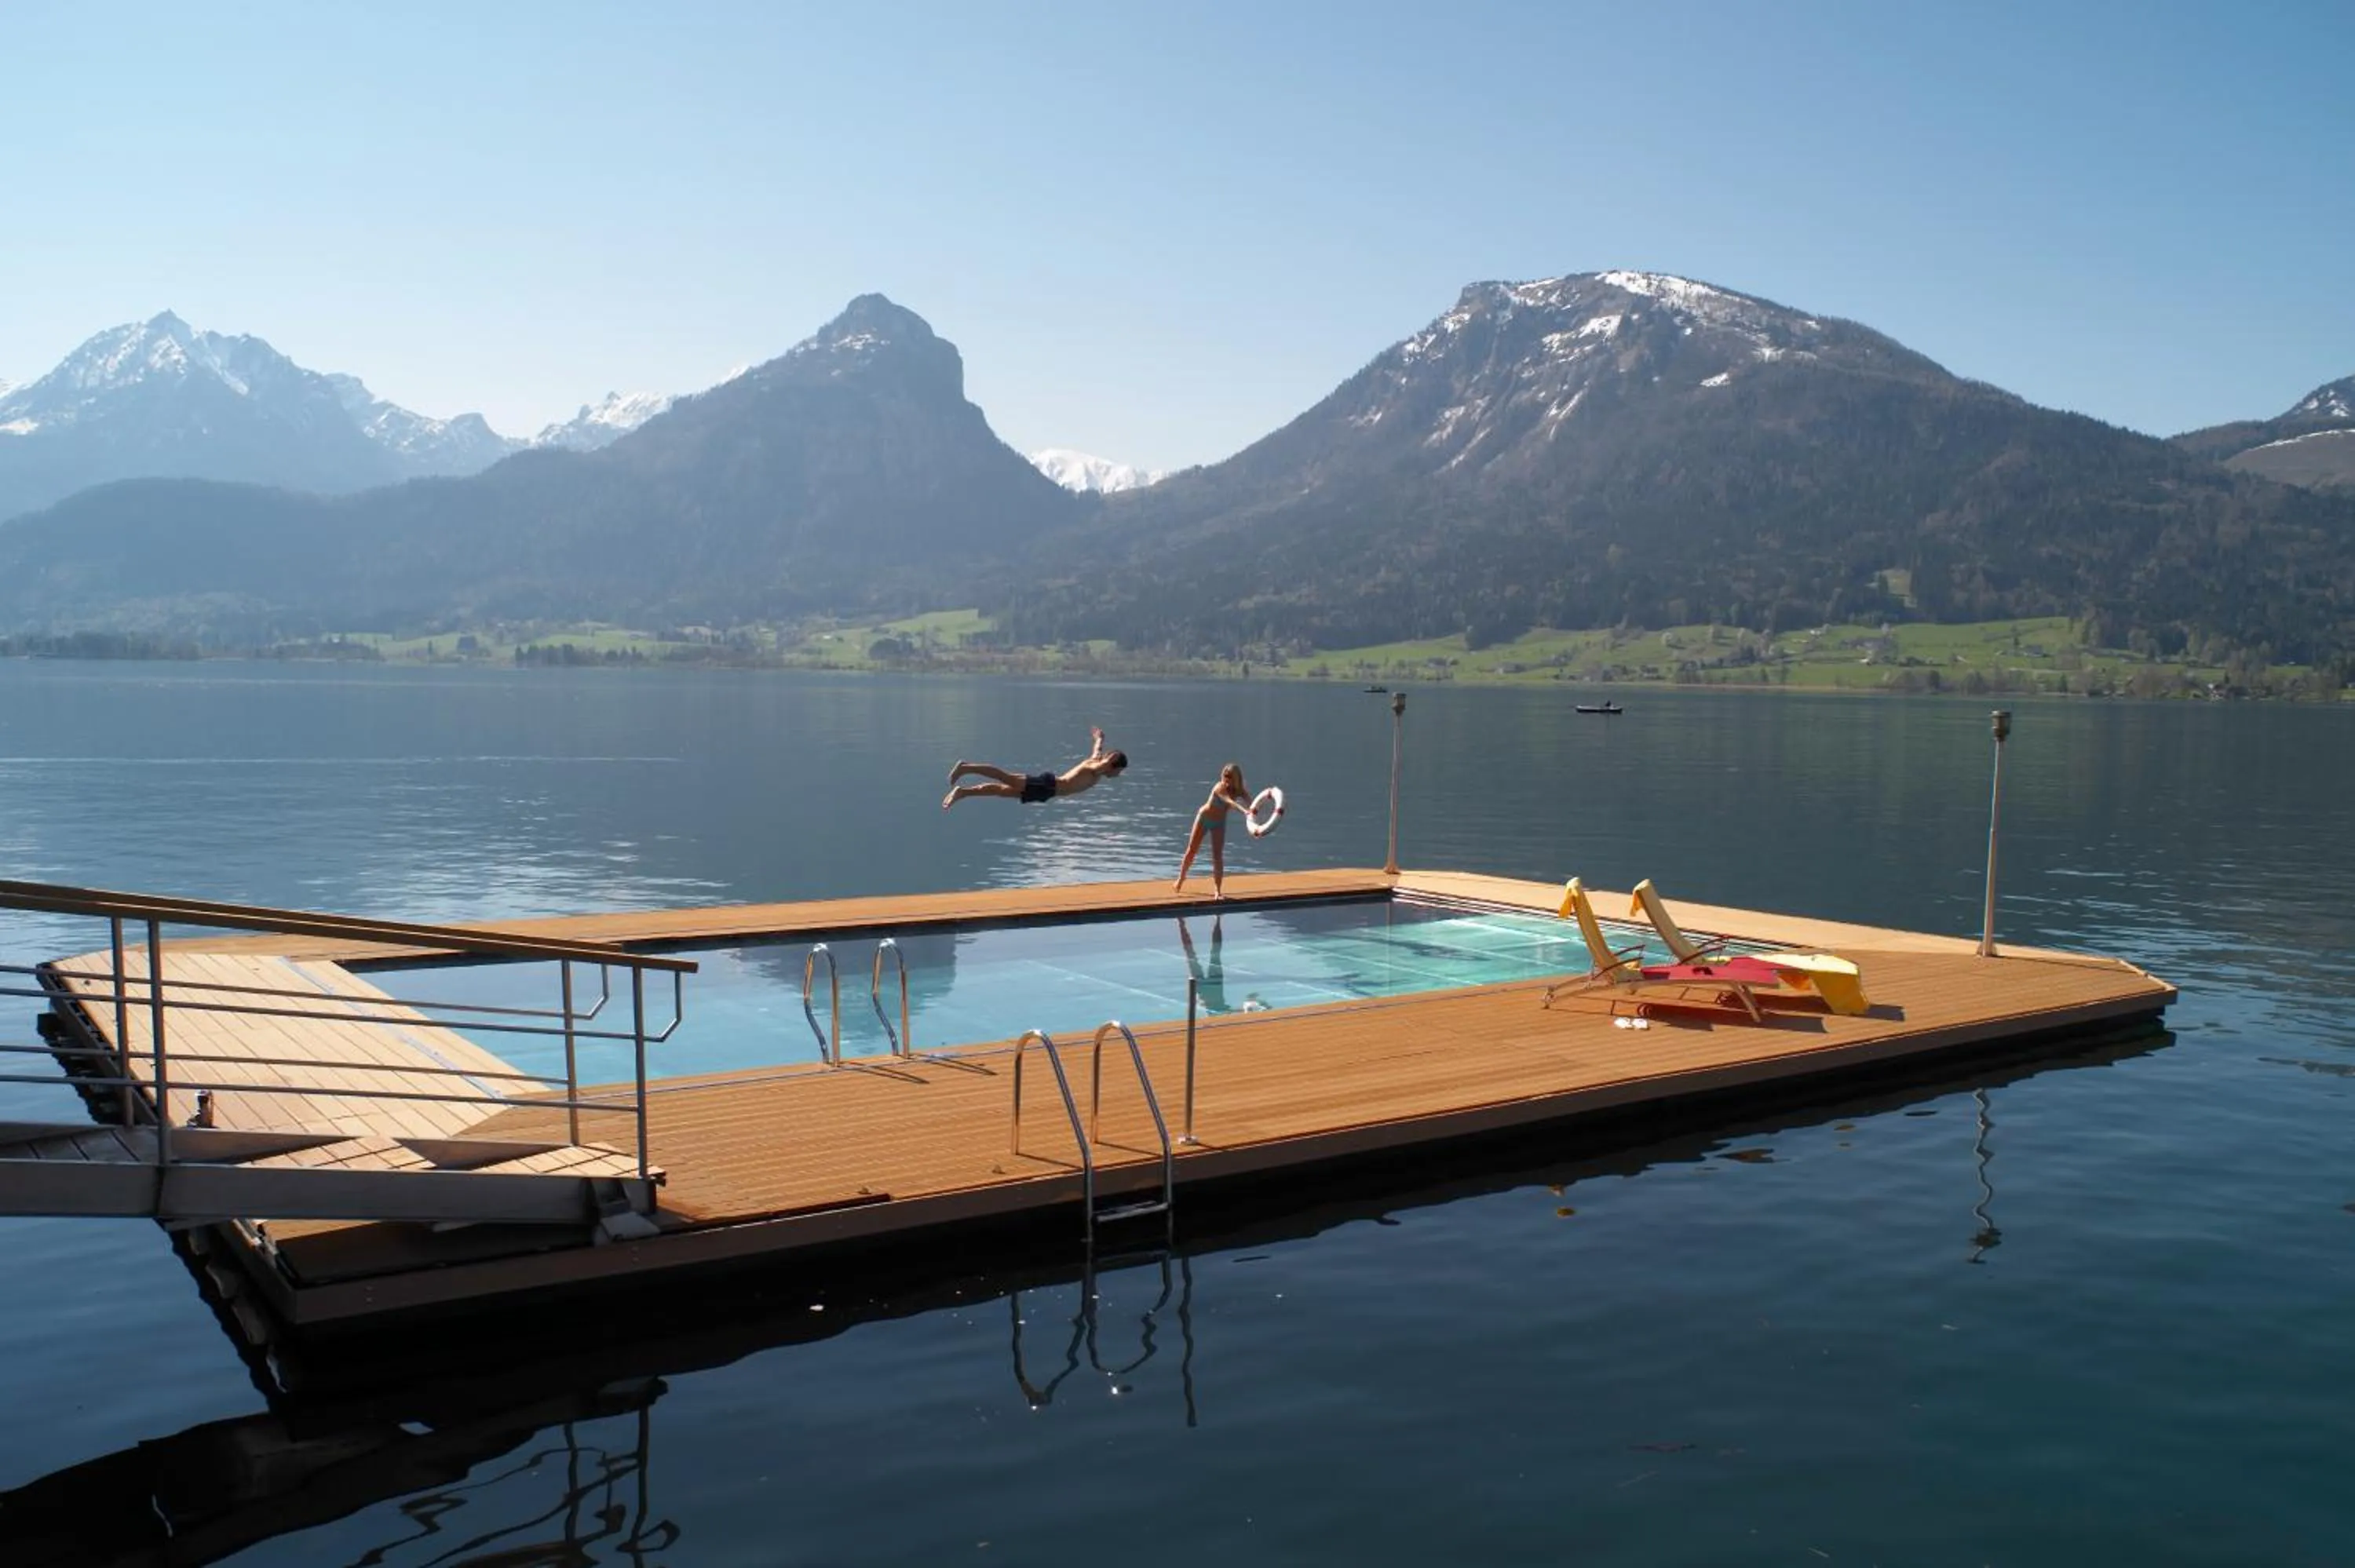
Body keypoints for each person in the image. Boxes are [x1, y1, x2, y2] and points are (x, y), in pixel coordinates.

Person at [943, 727, 1127, 809]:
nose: (1118, 775)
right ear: (1111, 765)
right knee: (1004, 778)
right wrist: (1110, 758)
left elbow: (1098, 749)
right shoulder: (1098, 769)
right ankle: (966, 768)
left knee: (1000, 790)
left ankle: (963, 792)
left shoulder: (1095, 761)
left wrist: (1100, 738)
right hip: (1048, 786)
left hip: (1047, 792)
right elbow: (1103, 760)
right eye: (1118, 771)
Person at [1173, 761, 1252, 897]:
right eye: (1224, 776)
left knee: (1217, 857)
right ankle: (1181, 879)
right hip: (1204, 819)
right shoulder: (1219, 788)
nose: (1226, 780)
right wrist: (1244, 811)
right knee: (1192, 850)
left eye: (1229, 778)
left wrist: (1253, 811)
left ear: (1236, 779)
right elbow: (1230, 802)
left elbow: (1251, 802)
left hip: (1219, 823)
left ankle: (1217, 891)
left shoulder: (1240, 790)